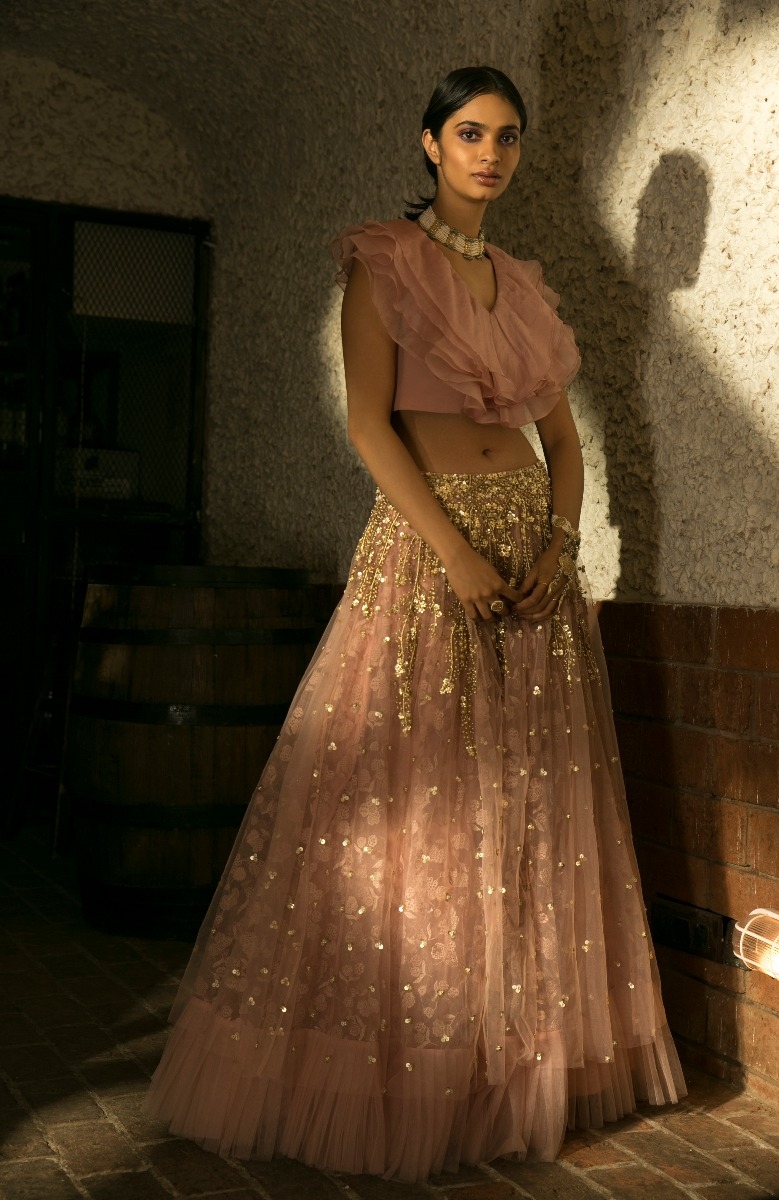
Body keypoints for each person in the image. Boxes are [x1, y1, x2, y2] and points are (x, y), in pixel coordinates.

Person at [144, 65, 686, 1183]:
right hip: (426, 550)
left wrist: (555, 546)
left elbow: (570, 445)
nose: (491, 152)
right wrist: (450, 549)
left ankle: (509, 1067)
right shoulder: (381, 264)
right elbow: (364, 422)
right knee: (419, 813)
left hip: (533, 569)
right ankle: (411, 1075)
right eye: (470, 133)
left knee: (525, 811)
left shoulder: (526, 290)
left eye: (508, 138)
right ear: (430, 145)